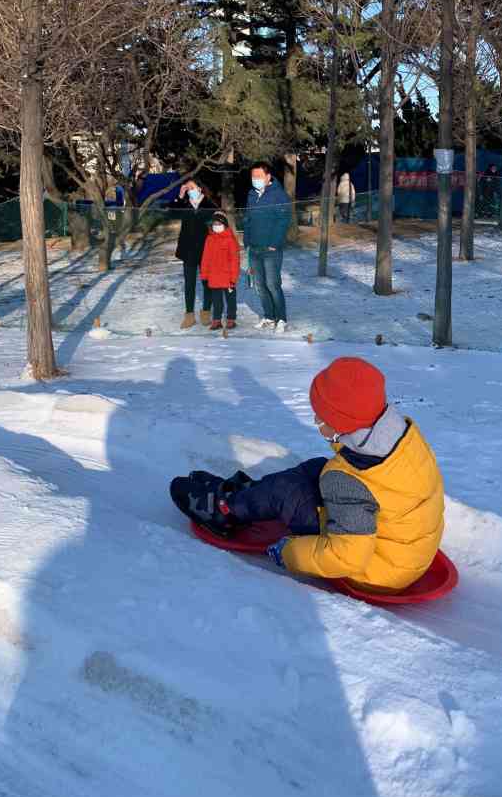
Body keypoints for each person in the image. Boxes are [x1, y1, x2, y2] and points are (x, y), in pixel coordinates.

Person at [170, 357, 445, 592]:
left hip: (377, 571)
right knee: (317, 468)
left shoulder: (347, 480)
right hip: (408, 551)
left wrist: (289, 553)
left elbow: (348, 558)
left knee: (290, 491)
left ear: (340, 424)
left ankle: (224, 509)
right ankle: (252, 497)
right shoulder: (405, 438)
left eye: (320, 417)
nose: (316, 422)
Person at [242, 161, 292, 334]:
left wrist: (274, 243)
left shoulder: (279, 196)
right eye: (253, 176)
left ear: (268, 176)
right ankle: (269, 317)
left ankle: (282, 319)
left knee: (273, 284)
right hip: (254, 249)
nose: (255, 179)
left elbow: (283, 221)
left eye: (258, 176)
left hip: (271, 250)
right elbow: (247, 219)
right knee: (260, 286)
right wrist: (246, 241)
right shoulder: (251, 195)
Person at [173, 180, 216, 329]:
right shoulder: (184, 204)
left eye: (192, 187)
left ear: (200, 188)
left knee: (207, 283)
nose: (190, 190)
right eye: (188, 188)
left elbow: (216, 224)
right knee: (189, 283)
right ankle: (189, 315)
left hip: (205, 250)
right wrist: (180, 195)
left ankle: (206, 312)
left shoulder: (209, 204)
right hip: (188, 250)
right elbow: (171, 212)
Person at [200, 212, 241, 330]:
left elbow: (235, 260)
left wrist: (234, 278)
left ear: (224, 225)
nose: (216, 226)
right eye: (214, 224)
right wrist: (204, 275)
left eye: (219, 223)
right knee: (216, 300)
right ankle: (216, 320)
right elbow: (205, 258)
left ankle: (231, 319)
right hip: (213, 276)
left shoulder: (230, 240)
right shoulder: (209, 239)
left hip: (228, 277)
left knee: (230, 299)